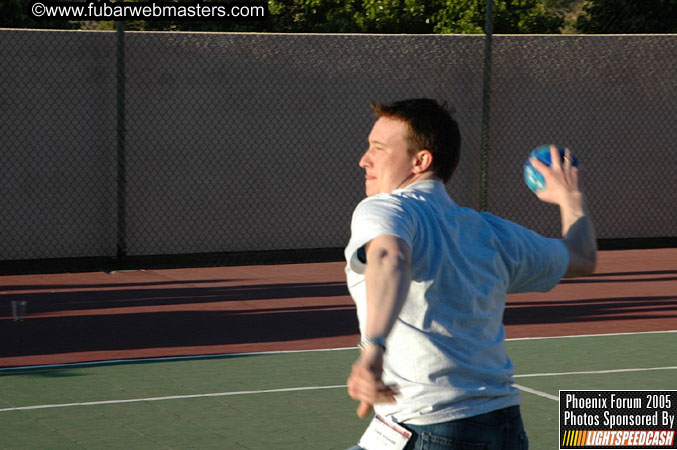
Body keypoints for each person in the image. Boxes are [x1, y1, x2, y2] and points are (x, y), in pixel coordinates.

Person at [344, 98, 596, 449]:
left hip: (429, 427)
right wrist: (570, 197)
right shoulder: (490, 232)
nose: (364, 159)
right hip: (504, 427)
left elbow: (389, 256)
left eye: (378, 148)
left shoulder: (386, 208)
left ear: (420, 161)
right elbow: (582, 257)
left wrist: (373, 348)